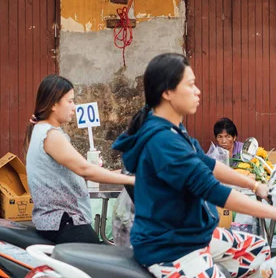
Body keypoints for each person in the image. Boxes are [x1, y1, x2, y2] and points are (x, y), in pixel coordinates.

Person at [112, 53, 276, 278]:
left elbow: (208, 163)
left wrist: (255, 185)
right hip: (171, 249)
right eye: (190, 85)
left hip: (191, 235)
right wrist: (273, 212)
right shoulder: (163, 141)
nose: (197, 91)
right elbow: (213, 190)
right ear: (167, 92)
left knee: (257, 250)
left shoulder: (174, 130)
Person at [25, 74, 135, 245]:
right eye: (70, 101)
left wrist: (120, 173)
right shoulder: (50, 135)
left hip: (60, 222)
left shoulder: (42, 131)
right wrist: (130, 180)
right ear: (54, 104)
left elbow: (80, 170)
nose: (74, 107)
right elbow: (85, 170)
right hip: (65, 223)